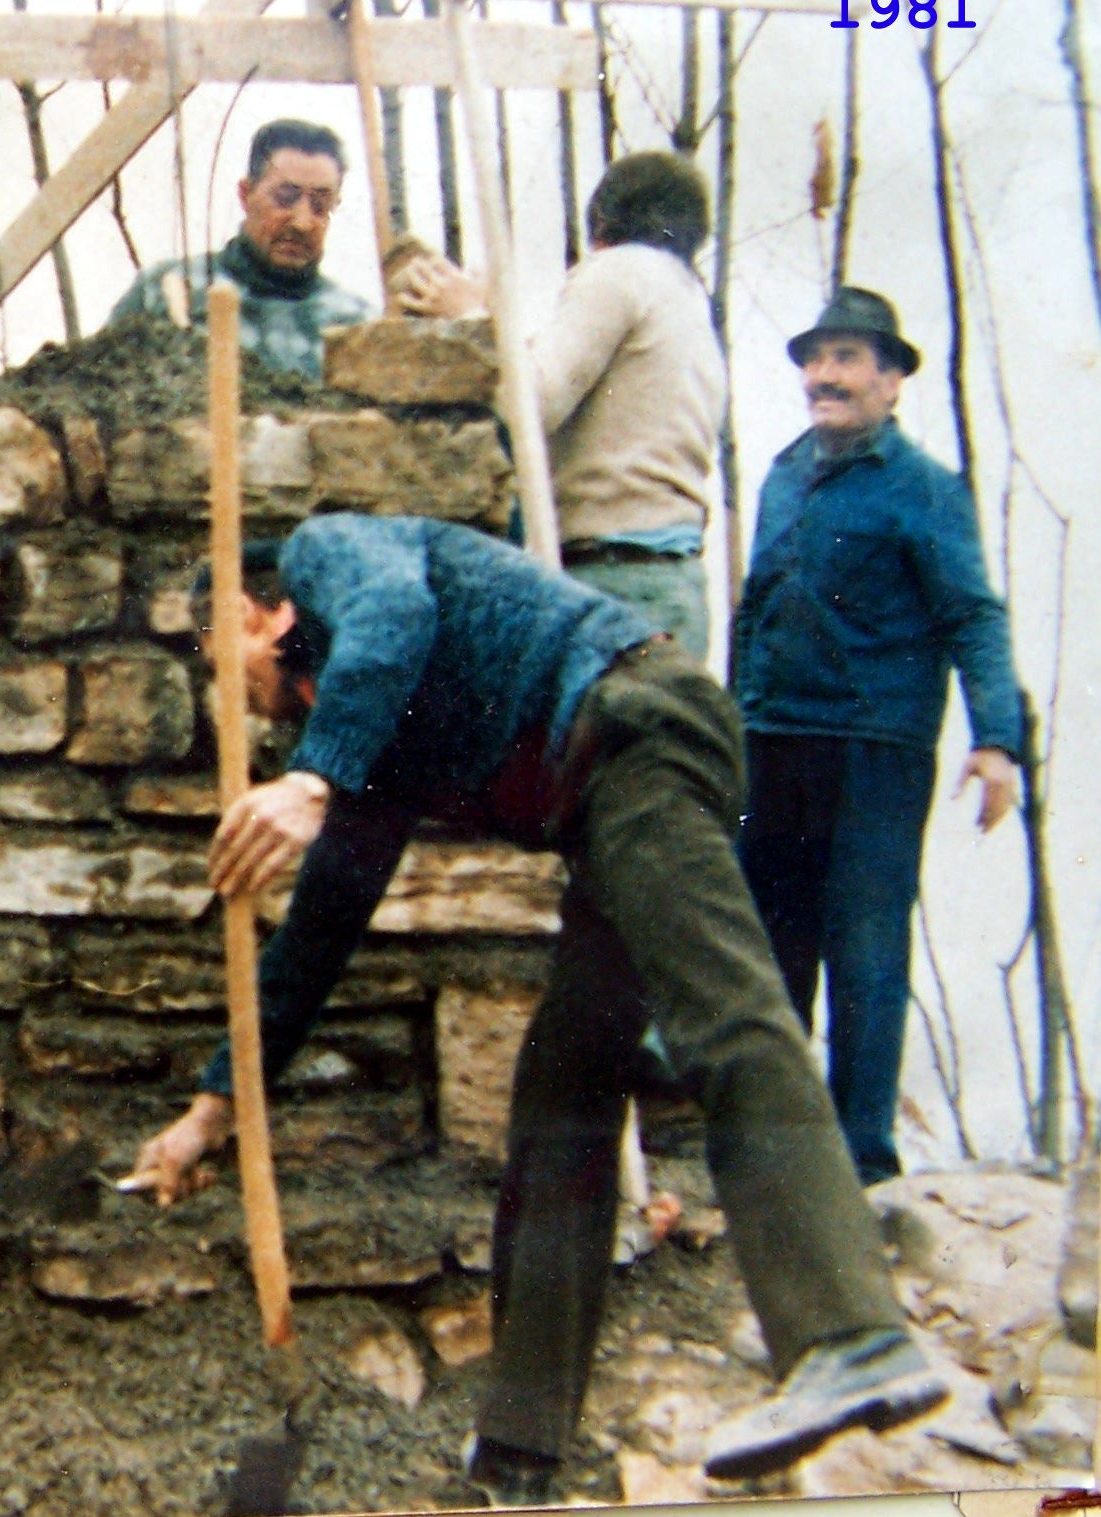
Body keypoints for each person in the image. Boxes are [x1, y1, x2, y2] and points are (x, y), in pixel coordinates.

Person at [125, 515, 946, 1500]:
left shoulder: (325, 551)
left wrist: (309, 778)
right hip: (602, 807)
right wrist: (211, 1107)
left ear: (256, 610)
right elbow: (315, 937)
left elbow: (394, 609)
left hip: (638, 726)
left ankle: (848, 1331)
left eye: (217, 652)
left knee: (722, 1012)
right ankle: (516, 1452)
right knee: (559, 1097)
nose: (230, 691)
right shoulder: (370, 728)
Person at [732, 288, 1024, 1186]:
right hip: (775, 740)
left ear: (892, 382)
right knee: (773, 944)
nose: (825, 375)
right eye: (816, 358)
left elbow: (972, 613)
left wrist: (997, 738)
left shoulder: (925, 490)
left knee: (863, 950)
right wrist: (733, 719)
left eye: (849, 359)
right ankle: (780, 1156)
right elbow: (757, 608)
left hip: (874, 750)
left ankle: (865, 1165)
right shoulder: (784, 472)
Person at [392, 151, 726, 657]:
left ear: (601, 224)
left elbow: (533, 406)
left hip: (614, 581)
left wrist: (473, 318)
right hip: (672, 581)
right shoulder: (686, 298)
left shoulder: (617, 272)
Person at [103, 118, 375, 381]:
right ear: (246, 195)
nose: (302, 222)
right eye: (285, 198)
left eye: (320, 205)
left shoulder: (356, 325)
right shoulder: (169, 291)